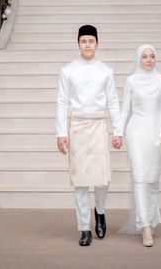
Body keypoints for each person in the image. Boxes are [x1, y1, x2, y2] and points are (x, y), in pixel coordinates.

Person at [56, 24, 123, 246]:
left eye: (91, 41)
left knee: (102, 178)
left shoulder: (105, 71)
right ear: (78, 43)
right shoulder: (68, 70)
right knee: (80, 181)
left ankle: (100, 212)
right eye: (83, 41)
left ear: (97, 44)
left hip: (98, 126)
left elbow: (113, 101)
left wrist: (118, 130)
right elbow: (62, 102)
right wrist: (61, 133)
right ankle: (84, 228)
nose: (87, 45)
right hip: (77, 127)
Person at [120, 43, 161, 247]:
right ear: (138, 59)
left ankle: (150, 219)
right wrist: (118, 132)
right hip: (136, 133)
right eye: (144, 56)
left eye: (152, 56)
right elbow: (125, 110)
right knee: (140, 177)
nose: (149, 60)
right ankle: (145, 227)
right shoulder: (131, 81)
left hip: (157, 135)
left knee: (151, 180)